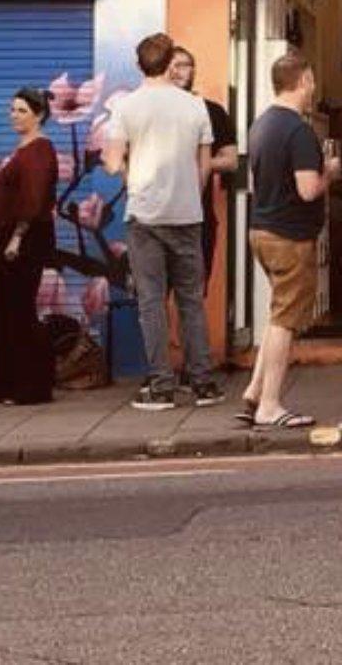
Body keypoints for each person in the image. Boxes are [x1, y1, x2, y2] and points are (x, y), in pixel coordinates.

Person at [103, 32, 222, 411]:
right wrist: (191, 193)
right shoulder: (195, 106)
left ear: (139, 65)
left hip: (144, 214)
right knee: (191, 300)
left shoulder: (126, 107)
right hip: (187, 213)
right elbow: (204, 164)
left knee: (152, 301)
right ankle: (203, 382)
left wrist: (131, 177)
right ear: (170, 62)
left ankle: (161, 385)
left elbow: (111, 161)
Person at [237, 51, 339, 430]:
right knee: (285, 322)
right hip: (290, 236)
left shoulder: (261, 124)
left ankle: (254, 392)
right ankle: (270, 405)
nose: (313, 89)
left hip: (262, 229)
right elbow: (308, 189)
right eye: (311, 81)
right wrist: (330, 172)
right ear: (304, 81)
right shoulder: (298, 131)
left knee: (277, 314)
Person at [0, 88, 58, 406]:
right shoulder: (24, 148)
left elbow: (35, 197)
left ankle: (31, 386)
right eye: (12, 109)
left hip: (24, 237)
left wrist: (17, 237)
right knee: (0, 310)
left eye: (22, 110)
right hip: (12, 235)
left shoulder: (39, 150)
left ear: (39, 115)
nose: (14, 115)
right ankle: (7, 384)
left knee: (16, 310)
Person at [166, 46, 240, 285]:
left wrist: (198, 163)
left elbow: (231, 160)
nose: (177, 71)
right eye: (171, 65)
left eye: (183, 65)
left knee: (194, 293)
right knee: (155, 296)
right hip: (155, 218)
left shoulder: (212, 111)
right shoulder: (149, 109)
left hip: (198, 218)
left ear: (194, 71)